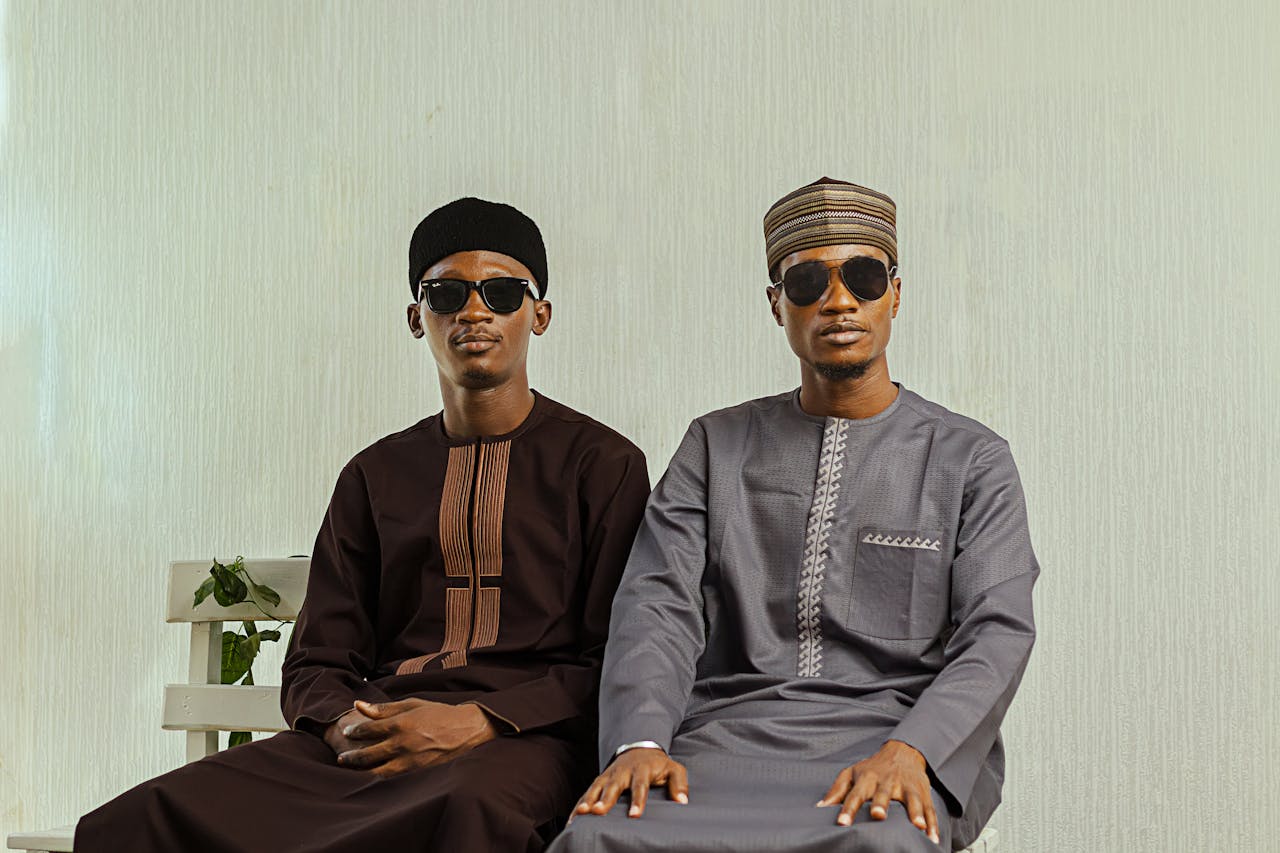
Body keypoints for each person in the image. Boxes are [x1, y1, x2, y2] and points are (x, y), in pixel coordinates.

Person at [76, 197, 651, 852]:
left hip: (522, 744)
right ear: (416, 317)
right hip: (371, 743)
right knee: (132, 821)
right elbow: (318, 657)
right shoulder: (375, 475)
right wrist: (345, 723)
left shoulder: (602, 465)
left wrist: (481, 719)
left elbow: (619, 656)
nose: (474, 310)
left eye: (501, 291)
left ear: (538, 314)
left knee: (468, 813)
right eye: (446, 293)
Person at [553, 178, 1039, 852]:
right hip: (721, 734)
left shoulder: (970, 459)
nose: (839, 301)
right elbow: (654, 605)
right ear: (776, 304)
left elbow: (997, 632)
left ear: (896, 293)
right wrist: (638, 741)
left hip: (896, 737)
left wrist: (914, 753)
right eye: (808, 281)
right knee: (599, 835)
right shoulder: (714, 446)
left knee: (883, 843)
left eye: (864, 277)